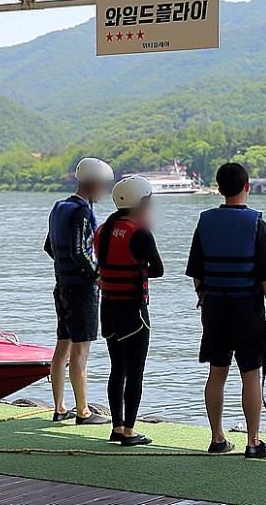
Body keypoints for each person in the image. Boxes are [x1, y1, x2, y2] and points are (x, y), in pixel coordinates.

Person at [186, 163, 266, 459]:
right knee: (250, 375)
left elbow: (196, 273)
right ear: (247, 186)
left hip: (214, 308)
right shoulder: (256, 223)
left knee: (217, 372)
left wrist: (204, 296)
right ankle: (253, 442)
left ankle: (217, 438)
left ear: (218, 187)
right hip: (247, 309)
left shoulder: (205, 222)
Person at [44, 157, 114, 425]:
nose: (105, 191)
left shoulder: (58, 207)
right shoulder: (82, 212)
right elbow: (78, 249)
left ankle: (60, 407)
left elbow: (50, 247)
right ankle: (83, 411)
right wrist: (97, 276)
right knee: (80, 350)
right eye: (104, 186)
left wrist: (65, 270)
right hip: (81, 290)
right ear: (94, 184)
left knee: (62, 346)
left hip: (62, 286)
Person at [95, 175, 163, 446]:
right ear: (142, 201)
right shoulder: (140, 232)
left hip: (108, 307)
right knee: (135, 371)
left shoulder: (103, 229)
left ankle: (117, 427)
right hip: (133, 311)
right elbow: (157, 270)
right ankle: (129, 431)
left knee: (117, 368)